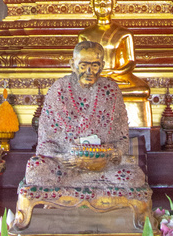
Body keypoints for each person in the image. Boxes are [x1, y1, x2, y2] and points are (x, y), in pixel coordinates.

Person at [23, 41, 145, 189]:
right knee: (35, 170)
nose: (89, 71)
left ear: (102, 65)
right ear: (72, 65)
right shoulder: (58, 90)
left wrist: (113, 153)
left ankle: (81, 183)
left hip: (102, 168)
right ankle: (93, 185)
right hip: (65, 167)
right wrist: (64, 158)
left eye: (94, 65)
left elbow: (122, 141)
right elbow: (44, 145)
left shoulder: (111, 90)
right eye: (83, 65)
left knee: (135, 177)